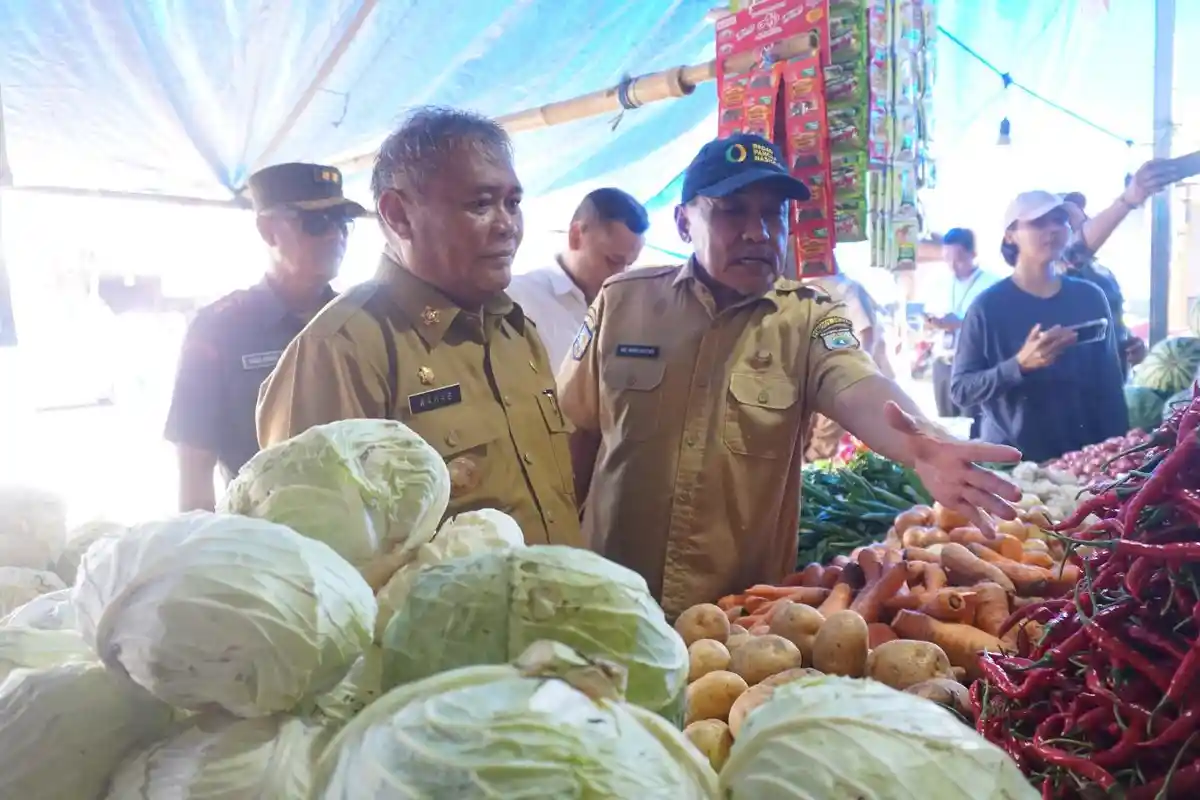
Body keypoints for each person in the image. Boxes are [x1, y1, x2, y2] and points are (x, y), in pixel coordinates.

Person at [556, 132, 1021, 616]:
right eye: (732, 210)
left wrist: (921, 442)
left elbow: (856, 385)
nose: (757, 231)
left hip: (735, 623)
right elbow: (573, 440)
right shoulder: (621, 303)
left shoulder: (809, 319)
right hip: (606, 599)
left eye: (772, 213)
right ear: (683, 222)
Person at [255, 107, 582, 547]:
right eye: (481, 204)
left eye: (513, 203)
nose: (506, 225)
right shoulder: (342, 350)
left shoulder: (514, 331)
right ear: (398, 215)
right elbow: (310, 563)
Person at [164, 162, 363, 511]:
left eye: (342, 222)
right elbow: (195, 473)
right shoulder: (218, 331)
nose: (335, 236)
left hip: (361, 536)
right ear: (268, 230)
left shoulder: (359, 322)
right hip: (262, 541)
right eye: (316, 223)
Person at [951, 191, 1128, 463]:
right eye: (1038, 223)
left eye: (1059, 220)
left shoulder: (1090, 297)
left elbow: (1109, 386)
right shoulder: (987, 307)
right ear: (1011, 235)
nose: (1053, 229)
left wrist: (1120, 456)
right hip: (1014, 466)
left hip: (1082, 463)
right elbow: (961, 390)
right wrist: (1018, 365)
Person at [507, 188, 648, 368]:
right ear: (576, 236)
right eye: (613, 261)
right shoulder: (518, 300)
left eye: (630, 264)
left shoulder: (632, 308)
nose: (621, 275)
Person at [1058, 160, 1177, 373]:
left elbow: (1116, 327)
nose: (1087, 223)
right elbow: (1076, 252)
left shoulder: (1103, 275)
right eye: (1075, 224)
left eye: (1085, 219)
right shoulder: (1053, 277)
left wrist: (1134, 348)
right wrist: (1128, 199)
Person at [802, 268, 894, 461]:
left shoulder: (844, 288)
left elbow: (866, 335)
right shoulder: (799, 290)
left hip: (857, 391)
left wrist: (851, 377)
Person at [925, 228, 1001, 433]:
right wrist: (932, 323)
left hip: (974, 366)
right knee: (946, 426)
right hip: (943, 361)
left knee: (974, 426)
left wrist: (959, 324)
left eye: (958, 259)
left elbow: (996, 326)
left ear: (973, 254)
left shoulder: (992, 286)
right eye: (947, 259)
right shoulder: (940, 284)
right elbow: (928, 316)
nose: (952, 266)